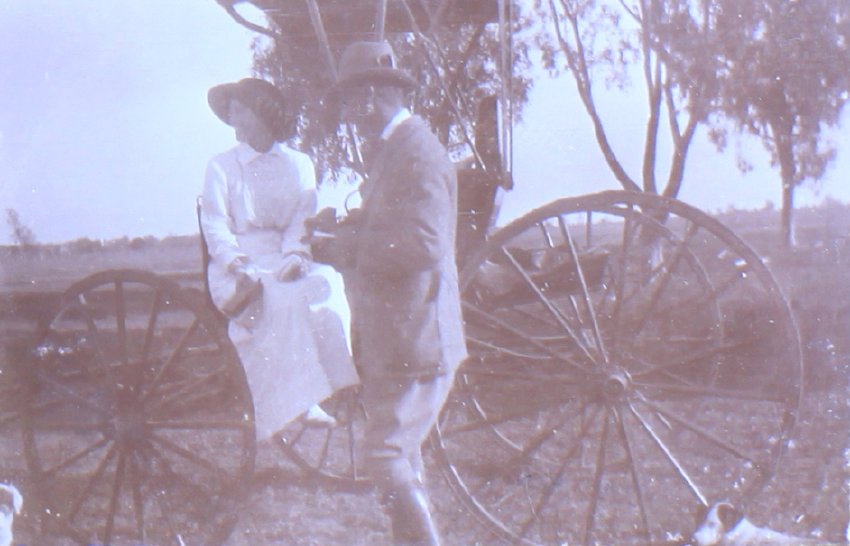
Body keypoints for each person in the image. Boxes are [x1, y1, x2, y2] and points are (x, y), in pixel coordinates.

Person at [312, 42, 467, 545]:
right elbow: (395, 224)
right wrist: (343, 228)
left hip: (415, 335)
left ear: (374, 94)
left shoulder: (417, 153)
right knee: (401, 457)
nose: (349, 116)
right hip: (402, 335)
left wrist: (345, 248)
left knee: (385, 456)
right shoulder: (396, 151)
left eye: (351, 102)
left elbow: (423, 241)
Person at [201, 77, 359, 441]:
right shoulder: (222, 167)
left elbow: (300, 220)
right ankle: (297, 403)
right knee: (280, 297)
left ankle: (333, 384)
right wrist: (236, 263)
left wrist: (294, 256)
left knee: (326, 283)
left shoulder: (298, 164)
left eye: (238, 110)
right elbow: (214, 223)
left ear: (260, 114)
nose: (232, 118)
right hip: (239, 264)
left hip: (284, 255)